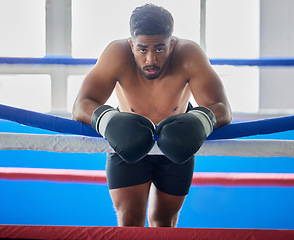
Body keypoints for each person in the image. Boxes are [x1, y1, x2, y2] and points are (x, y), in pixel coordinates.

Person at [72, 3, 232, 227]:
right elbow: (81, 104)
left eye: (159, 49)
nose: (150, 60)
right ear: (131, 44)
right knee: (129, 222)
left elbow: (221, 107)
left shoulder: (189, 54)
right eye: (142, 50)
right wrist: (109, 121)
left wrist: (198, 121)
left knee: (164, 222)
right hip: (126, 139)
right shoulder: (116, 54)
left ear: (172, 43)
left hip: (178, 140)